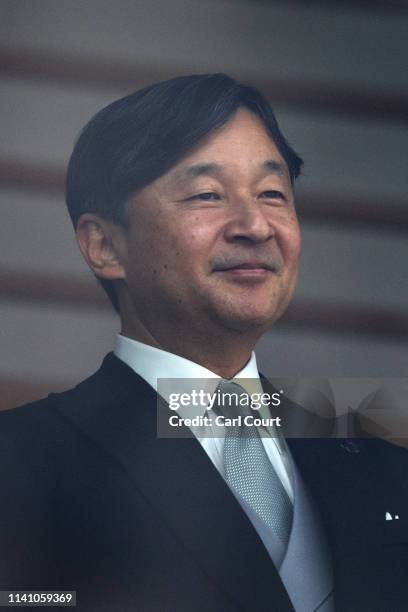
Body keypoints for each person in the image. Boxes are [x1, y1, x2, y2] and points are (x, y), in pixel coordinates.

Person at [1, 74, 407, 612]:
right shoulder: (21, 461)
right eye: (206, 195)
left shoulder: (380, 465)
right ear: (104, 245)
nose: (255, 225)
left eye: (272, 193)